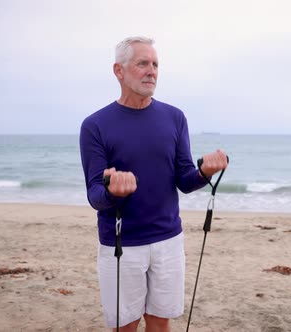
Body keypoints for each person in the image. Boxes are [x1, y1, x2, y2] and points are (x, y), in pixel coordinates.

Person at [79, 36, 228, 332]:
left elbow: (185, 179)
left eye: (156, 64)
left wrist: (204, 172)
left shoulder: (174, 117)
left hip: (168, 239)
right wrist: (112, 190)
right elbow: (95, 195)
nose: (152, 71)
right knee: (126, 326)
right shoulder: (95, 125)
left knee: (161, 323)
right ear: (119, 71)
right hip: (122, 243)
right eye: (142, 63)